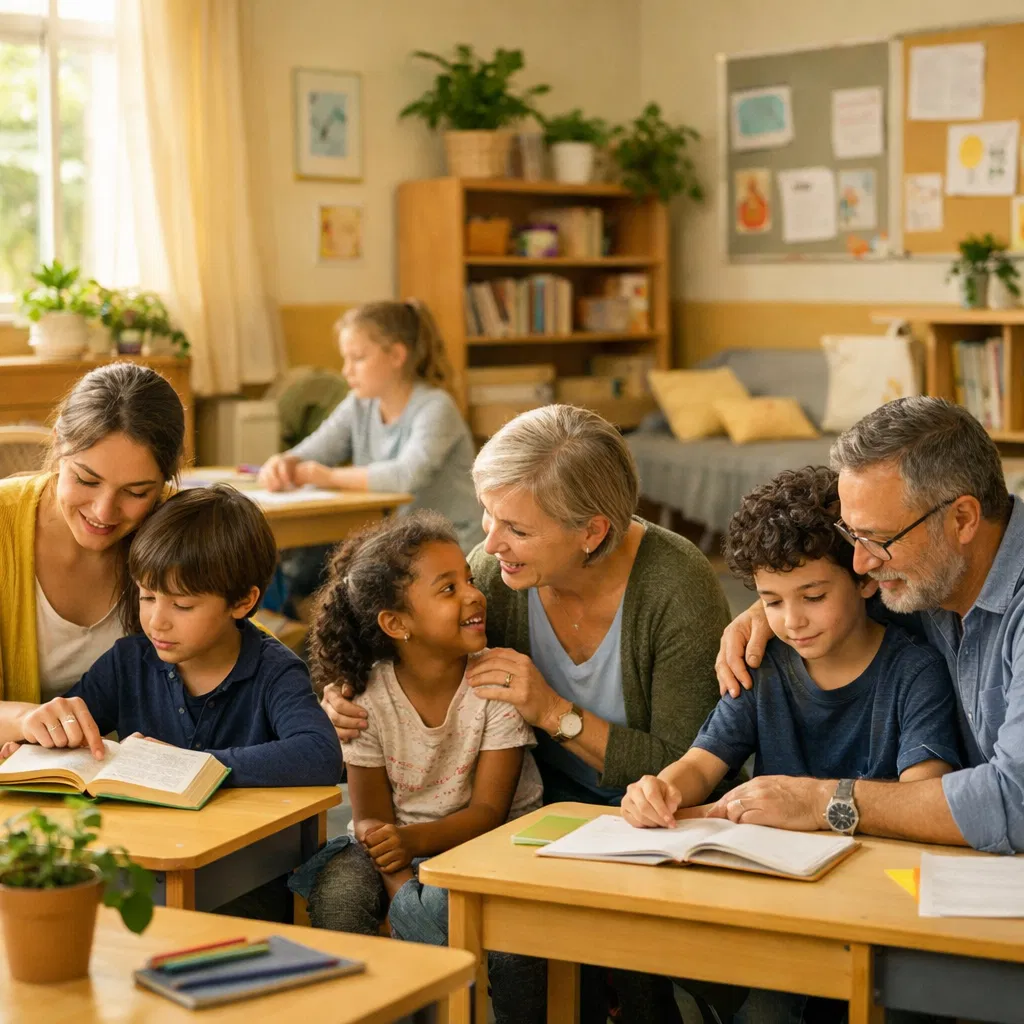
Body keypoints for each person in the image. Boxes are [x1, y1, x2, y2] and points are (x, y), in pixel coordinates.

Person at [321, 405, 735, 1023]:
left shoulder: (675, 588)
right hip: (524, 820)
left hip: (644, 821)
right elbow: (400, 628)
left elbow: (691, 763)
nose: (489, 542)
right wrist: (342, 686)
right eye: (488, 514)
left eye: (514, 526)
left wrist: (553, 711)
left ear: (591, 532)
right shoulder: (495, 573)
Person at [623, 465, 960, 1024]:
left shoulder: (913, 672)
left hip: (876, 912)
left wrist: (819, 811)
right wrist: (658, 790)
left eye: (812, 595)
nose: (792, 621)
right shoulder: (766, 662)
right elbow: (702, 764)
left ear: (864, 578)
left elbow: (928, 798)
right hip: (779, 907)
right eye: (771, 601)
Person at [713, 397, 1024, 855]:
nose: (861, 563)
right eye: (852, 536)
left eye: (878, 540)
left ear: (962, 519)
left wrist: (823, 802)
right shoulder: (933, 574)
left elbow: (1013, 803)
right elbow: (842, 598)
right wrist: (770, 609)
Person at [303, 511, 545, 1024]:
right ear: (396, 624)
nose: (473, 595)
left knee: (493, 926)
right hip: (395, 848)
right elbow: (369, 818)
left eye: (469, 580)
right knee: (338, 896)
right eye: (447, 589)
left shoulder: (494, 684)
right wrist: (398, 882)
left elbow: (488, 813)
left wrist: (411, 863)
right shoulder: (365, 698)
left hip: (489, 845)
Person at [1, 484, 342, 790]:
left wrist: (189, 766)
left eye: (182, 605)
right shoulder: (128, 662)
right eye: (147, 597)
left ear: (243, 602)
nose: (156, 622)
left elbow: (320, 754)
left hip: (247, 853)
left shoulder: (274, 670)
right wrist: (36, 754)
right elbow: (74, 733)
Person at [258, 300, 483, 604]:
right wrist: (284, 461)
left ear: (396, 356)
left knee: (319, 569)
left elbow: (405, 476)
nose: (345, 370)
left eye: (358, 358)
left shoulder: (436, 407)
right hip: (394, 542)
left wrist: (327, 476)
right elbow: (315, 448)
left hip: (447, 544)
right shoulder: (358, 404)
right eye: (345, 358)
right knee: (284, 562)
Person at [0, 362, 185, 721]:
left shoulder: (171, 525)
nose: (104, 512)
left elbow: (232, 635)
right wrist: (23, 720)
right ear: (58, 443)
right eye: (86, 480)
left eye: (135, 492)